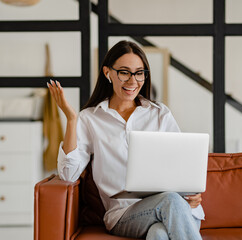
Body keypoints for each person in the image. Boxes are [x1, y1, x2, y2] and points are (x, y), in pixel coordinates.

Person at [47, 40, 204, 240]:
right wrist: (71, 120)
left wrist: (191, 194)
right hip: (124, 215)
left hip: (177, 210)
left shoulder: (159, 114)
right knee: (171, 201)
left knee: (159, 234)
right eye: (124, 72)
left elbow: (181, 166)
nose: (133, 81)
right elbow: (68, 174)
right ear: (107, 73)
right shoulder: (90, 119)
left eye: (139, 73)